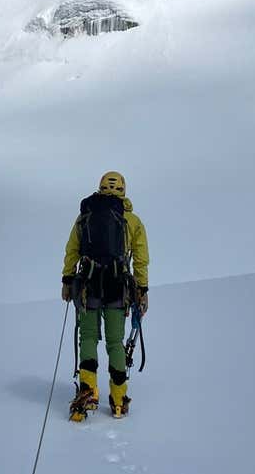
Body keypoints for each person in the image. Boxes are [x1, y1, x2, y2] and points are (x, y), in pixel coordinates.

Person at [61, 171, 149, 419]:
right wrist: (142, 290)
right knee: (115, 342)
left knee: (87, 337)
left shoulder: (85, 215)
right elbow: (141, 260)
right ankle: (119, 398)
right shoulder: (132, 221)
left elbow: (72, 250)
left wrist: (68, 279)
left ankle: (88, 392)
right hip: (117, 286)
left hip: (88, 285)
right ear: (123, 190)